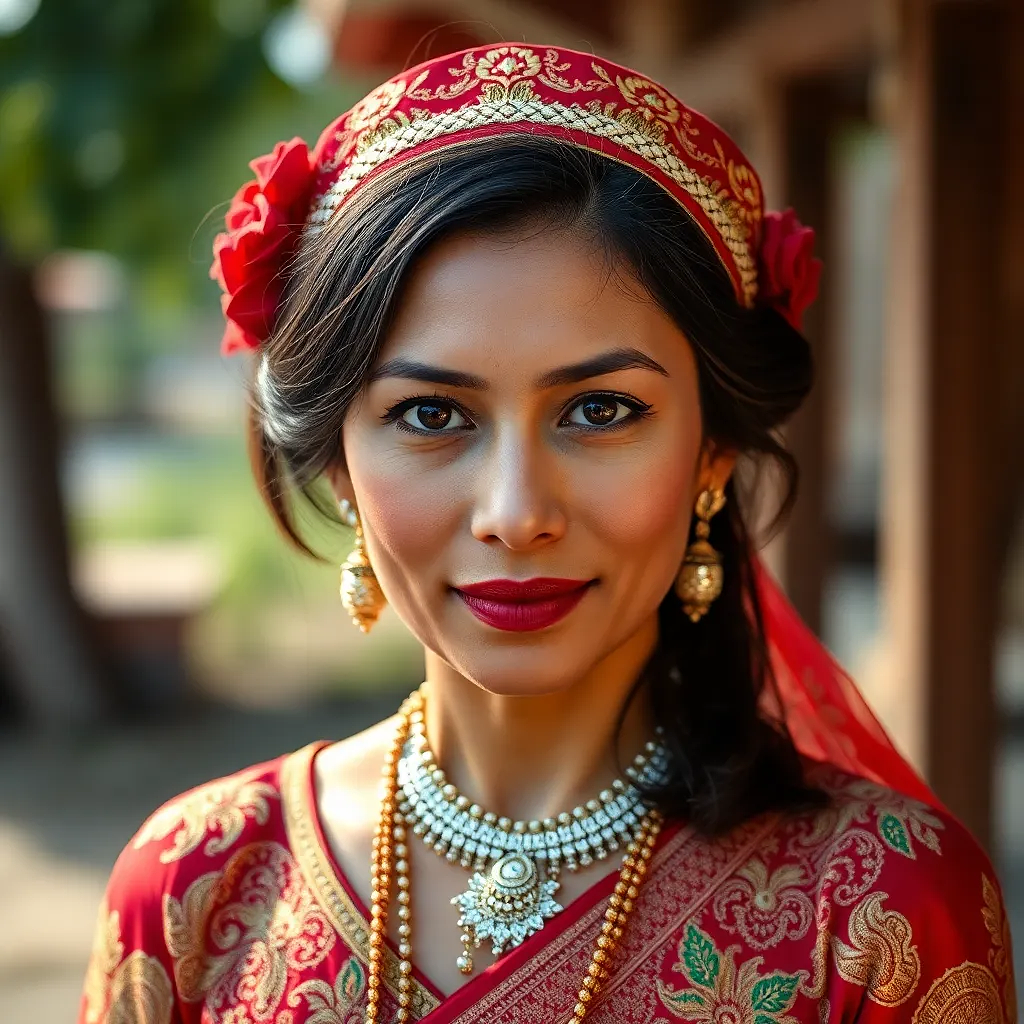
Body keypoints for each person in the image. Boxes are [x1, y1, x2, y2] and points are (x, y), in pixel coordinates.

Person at [79, 43, 1016, 1024]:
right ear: (336, 463)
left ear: (713, 455)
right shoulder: (197, 887)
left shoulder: (875, 909)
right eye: (433, 416)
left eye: (600, 410)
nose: (517, 513)